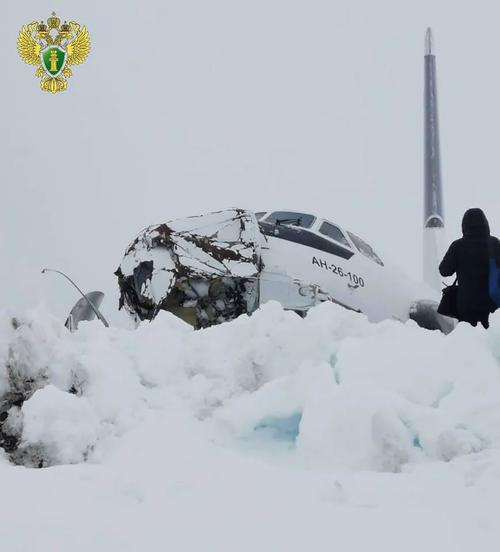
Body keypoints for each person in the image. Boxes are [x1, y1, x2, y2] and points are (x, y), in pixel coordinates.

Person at [439, 208, 500, 328]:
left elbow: (444, 271)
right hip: (492, 304)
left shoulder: (458, 246)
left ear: (464, 225)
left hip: (466, 306)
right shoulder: (494, 243)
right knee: (491, 340)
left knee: (468, 341)